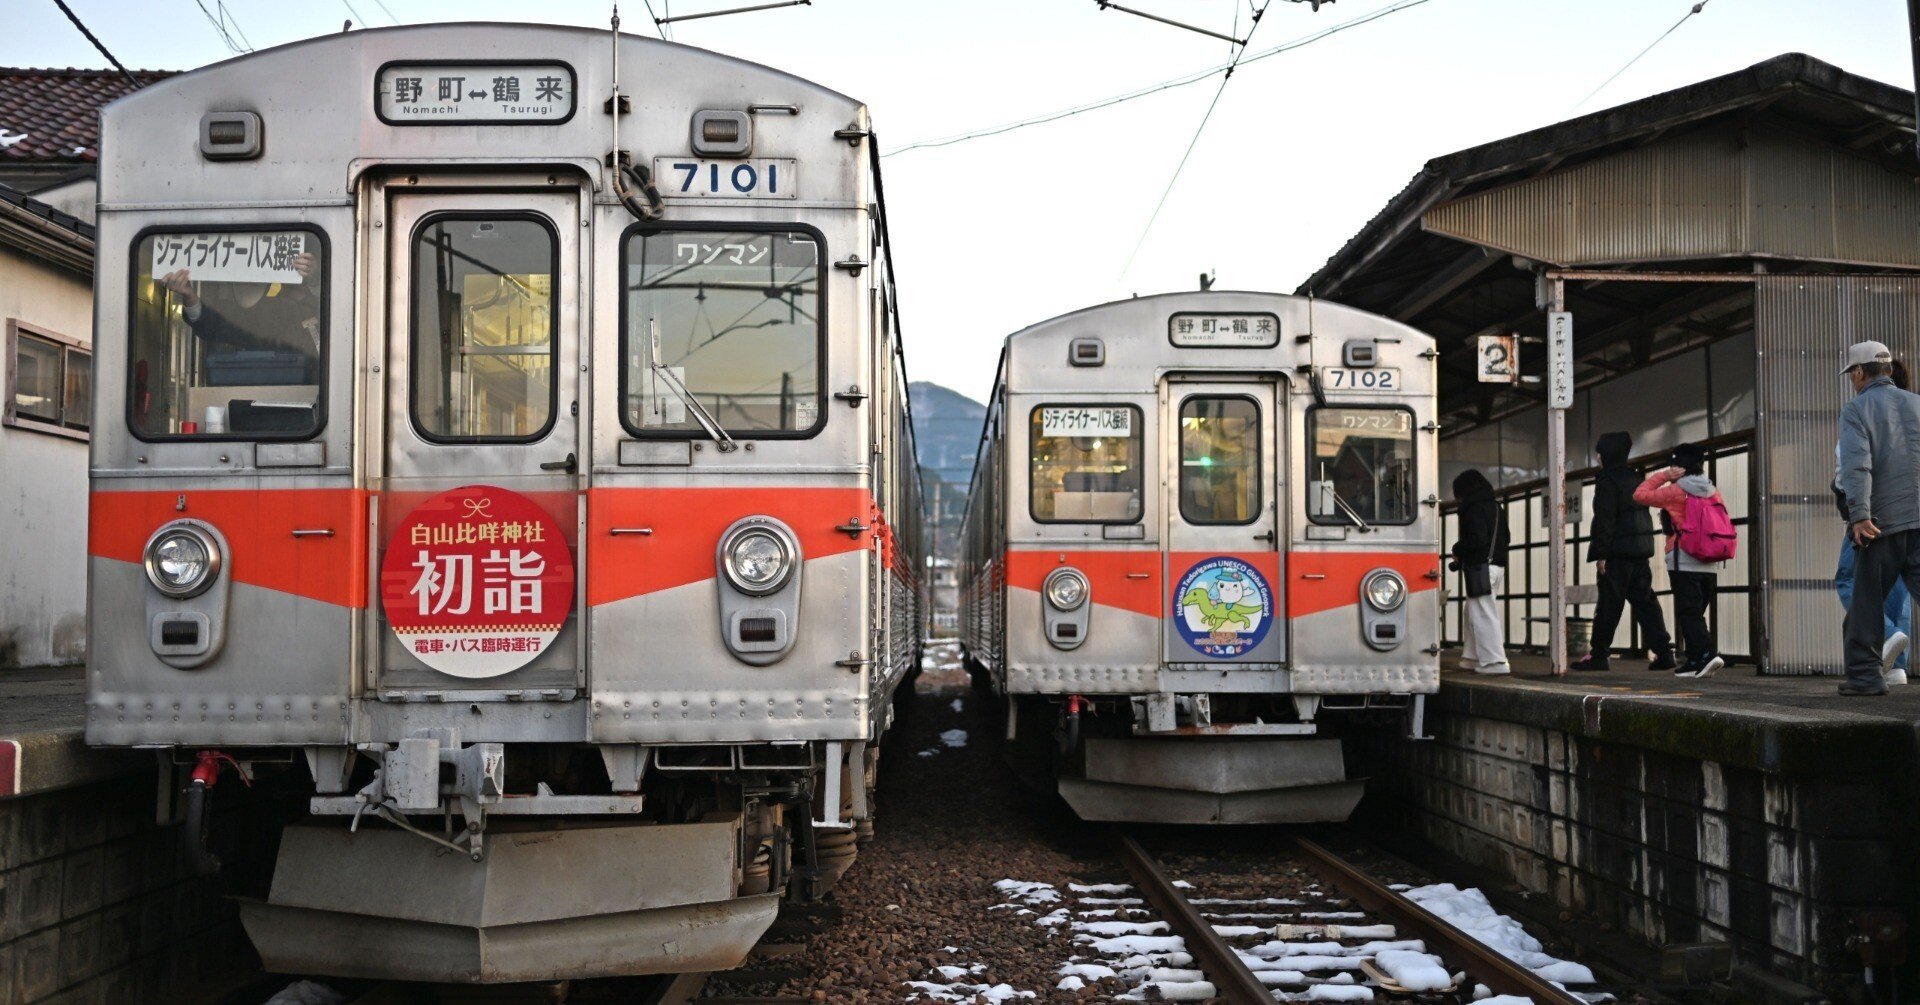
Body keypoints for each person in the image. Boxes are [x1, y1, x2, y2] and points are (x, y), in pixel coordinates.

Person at [1835, 341, 1920, 696]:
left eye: (1851, 374)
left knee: (1866, 603)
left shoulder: (1857, 409)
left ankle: (1865, 678)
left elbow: (1857, 465)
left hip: (1882, 522)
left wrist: (1859, 515)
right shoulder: (1917, 403)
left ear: (1859, 372)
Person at [1573, 431, 1675, 672]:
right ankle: (1664, 652)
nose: (1597, 456)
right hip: (1640, 550)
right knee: (1646, 603)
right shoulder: (1636, 478)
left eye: (1599, 452)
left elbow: (1605, 520)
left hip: (1618, 552)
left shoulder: (1608, 481)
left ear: (1606, 454)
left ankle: (1599, 655)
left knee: (1609, 604)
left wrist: (1601, 555)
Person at [1633, 443, 1728, 678]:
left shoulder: (1677, 491)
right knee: (1694, 611)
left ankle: (1706, 653)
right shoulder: (1712, 490)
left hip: (1683, 559)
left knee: (1689, 611)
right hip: (1710, 561)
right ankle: (1695, 659)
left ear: (1678, 466)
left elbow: (1639, 495)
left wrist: (1664, 476)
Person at [1450, 469, 1510, 675]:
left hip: (1481, 567)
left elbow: (1476, 539)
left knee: (1483, 612)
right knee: (1473, 610)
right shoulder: (1496, 507)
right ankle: (1471, 656)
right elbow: (1507, 537)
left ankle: (1495, 662)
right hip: (1496, 566)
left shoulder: (1473, 509)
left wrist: (1458, 549)